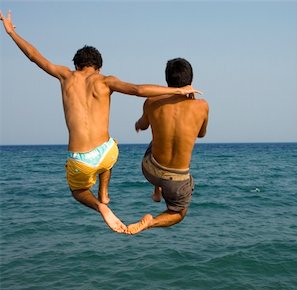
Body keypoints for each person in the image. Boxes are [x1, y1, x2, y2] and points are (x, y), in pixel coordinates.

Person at [0, 11, 199, 233]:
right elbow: (138, 90)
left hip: (80, 160)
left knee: (77, 192)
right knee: (111, 148)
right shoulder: (105, 81)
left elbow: (34, 55)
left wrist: (10, 32)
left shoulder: (65, 76)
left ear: (76, 66)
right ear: (99, 67)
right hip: (106, 153)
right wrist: (179, 90)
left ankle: (100, 205)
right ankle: (104, 191)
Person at [127, 58, 209, 235]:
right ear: (191, 82)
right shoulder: (202, 107)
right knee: (179, 213)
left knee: (158, 138)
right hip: (176, 181)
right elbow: (201, 134)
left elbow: (142, 124)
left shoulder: (151, 101)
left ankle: (157, 190)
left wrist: (137, 125)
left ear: (166, 81)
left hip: (150, 170)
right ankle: (150, 222)